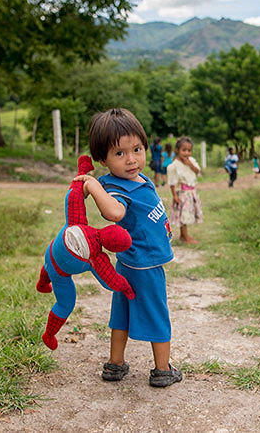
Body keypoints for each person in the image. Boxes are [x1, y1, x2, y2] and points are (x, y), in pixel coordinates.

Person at [74, 108, 182, 388]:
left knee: (120, 312)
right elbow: (114, 213)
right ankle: (162, 369)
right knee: (157, 312)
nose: (131, 159)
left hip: (130, 262)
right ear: (103, 159)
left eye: (136, 149)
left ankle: (116, 363)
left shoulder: (138, 178)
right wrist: (93, 185)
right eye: (119, 154)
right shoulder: (114, 187)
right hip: (144, 264)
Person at [167, 137, 202, 244]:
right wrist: (175, 196)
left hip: (191, 192)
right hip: (182, 193)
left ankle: (183, 235)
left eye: (189, 150)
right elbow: (172, 183)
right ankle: (186, 237)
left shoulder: (191, 161)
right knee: (183, 215)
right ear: (177, 150)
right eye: (184, 150)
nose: (187, 153)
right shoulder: (173, 166)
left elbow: (197, 171)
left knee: (187, 214)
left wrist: (190, 164)